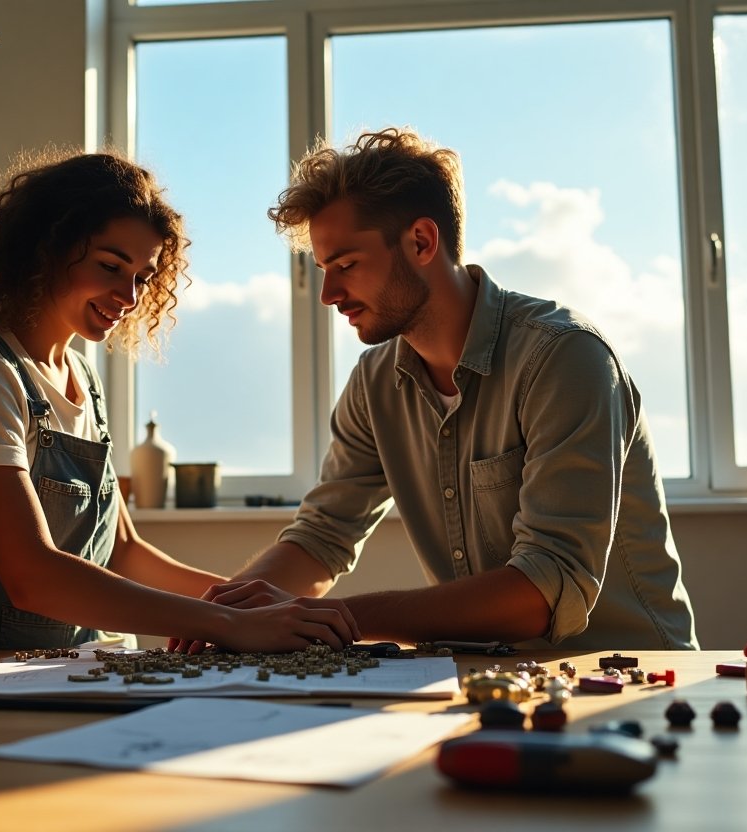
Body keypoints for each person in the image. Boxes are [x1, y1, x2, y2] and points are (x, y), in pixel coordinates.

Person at [192, 128, 697, 650]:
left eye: (345, 266)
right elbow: (322, 538)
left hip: (629, 688)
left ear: (421, 242)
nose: (329, 294)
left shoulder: (564, 357)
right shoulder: (374, 383)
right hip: (487, 682)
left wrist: (332, 618)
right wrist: (229, 615)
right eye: (324, 270)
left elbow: (544, 589)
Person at [0, 148, 358, 652]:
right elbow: (31, 575)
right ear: (44, 250)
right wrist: (225, 623)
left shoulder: (82, 374)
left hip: (80, 662)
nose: (130, 296)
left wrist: (254, 605)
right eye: (109, 266)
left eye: (143, 277)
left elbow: (122, 549)